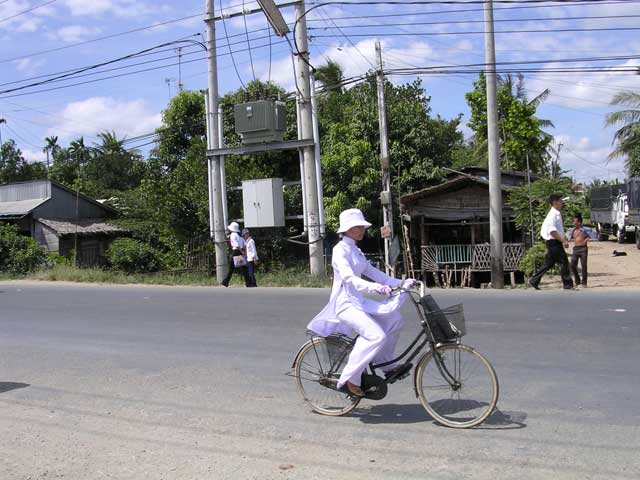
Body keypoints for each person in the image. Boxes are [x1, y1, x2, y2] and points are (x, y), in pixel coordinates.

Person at [307, 208, 416, 397]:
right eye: (357, 226)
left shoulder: (356, 251)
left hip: (359, 302)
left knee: (394, 320)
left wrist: (402, 283)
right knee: (376, 336)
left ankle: (387, 365)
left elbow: (376, 274)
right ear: (346, 229)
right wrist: (375, 288)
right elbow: (349, 278)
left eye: (362, 226)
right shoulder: (339, 251)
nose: (361, 229)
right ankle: (350, 379)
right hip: (345, 305)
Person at [529, 195, 574, 290]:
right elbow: (552, 231)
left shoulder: (556, 213)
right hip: (554, 242)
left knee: (548, 263)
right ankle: (568, 284)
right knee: (563, 262)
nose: (562, 203)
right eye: (560, 201)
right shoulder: (553, 215)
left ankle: (534, 280)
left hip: (552, 242)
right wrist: (563, 240)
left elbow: (556, 230)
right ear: (555, 202)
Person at [567, 213, 595, 288]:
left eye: (575, 221)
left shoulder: (584, 229)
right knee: (572, 265)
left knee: (584, 266)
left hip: (583, 249)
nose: (573, 223)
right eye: (573, 221)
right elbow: (569, 238)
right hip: (576, 249)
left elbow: (592, 234)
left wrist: (586, 240)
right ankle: (577, 280)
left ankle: (584, 283)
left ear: (579, 222)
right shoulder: (572, 230)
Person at [221, 222, 250, 288]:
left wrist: (241, 251)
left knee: (231, 268)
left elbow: (237, 245)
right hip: (240, 252)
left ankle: (226, 282)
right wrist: (243, 252)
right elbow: (244, 244)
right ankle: (248, 282)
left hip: (236, 252)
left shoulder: (233, 235)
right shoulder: (239, 235)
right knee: (243, 268)